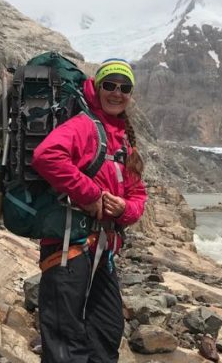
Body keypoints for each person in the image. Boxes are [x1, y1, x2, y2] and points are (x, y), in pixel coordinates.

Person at [31, 58, 147, 363]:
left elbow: (138, 197)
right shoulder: (83, 125)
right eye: (109, 85)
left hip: (103, 250)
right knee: (65, 340)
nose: (116, 92)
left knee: (107, 331)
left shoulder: (124, 142)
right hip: (69, 244)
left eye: (124, 88)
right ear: (97, 88)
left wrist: (123, 210)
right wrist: (91, 195)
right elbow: (46, 155)